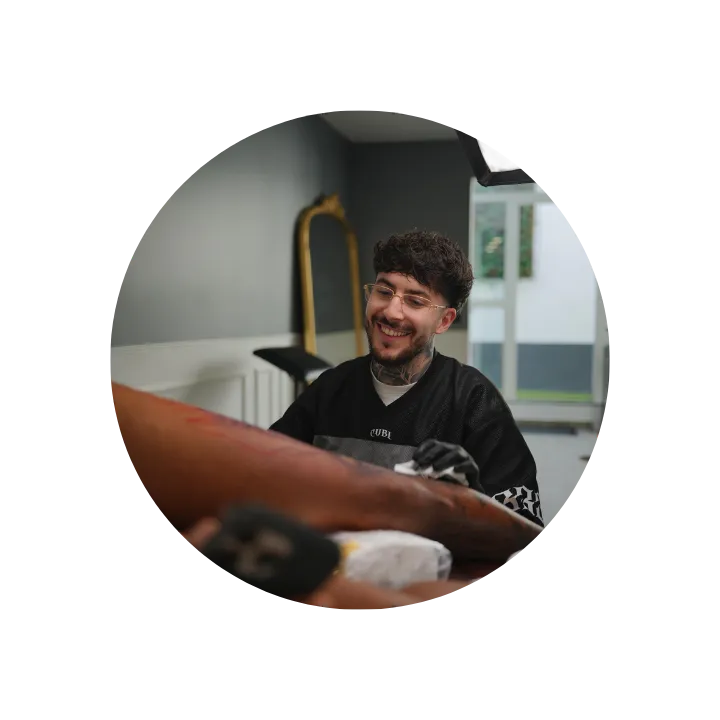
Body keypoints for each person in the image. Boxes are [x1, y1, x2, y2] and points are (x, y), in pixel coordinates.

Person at [270, 230, 544, 529]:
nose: (391, 312)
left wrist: (471, 495)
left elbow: (522, 525)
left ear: (444, 320)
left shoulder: (474, 402)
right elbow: (267, 472)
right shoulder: (330, 389)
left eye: (414, 301)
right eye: (384, 292)